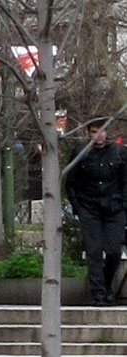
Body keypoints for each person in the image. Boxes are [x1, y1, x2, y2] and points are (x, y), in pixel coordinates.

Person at [65, 118, 127, 305]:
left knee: (114, 250)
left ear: (107, 133)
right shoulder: (81, 153)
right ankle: (98, 294)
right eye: (94, 132)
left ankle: (107, 286)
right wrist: (78, 207)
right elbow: (71, 183)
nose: (98, 136)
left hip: (114, 208)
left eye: (102, 131)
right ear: (89, 133)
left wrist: (124, 205)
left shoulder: (119, 153)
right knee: (94, 251)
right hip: (89, 208)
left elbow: (125, 181)